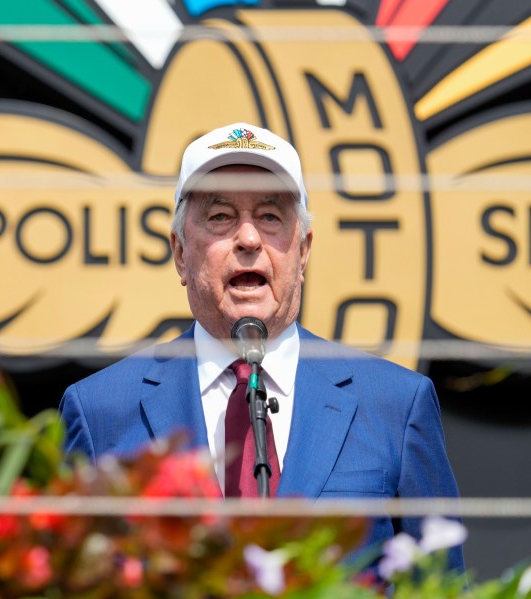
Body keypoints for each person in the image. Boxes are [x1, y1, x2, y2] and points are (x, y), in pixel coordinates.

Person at [58, 122, 464, 571]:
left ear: (304, 250)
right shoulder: (99, 412)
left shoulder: (394, 405)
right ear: (179, 252)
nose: (248, 239)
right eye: (220, 217)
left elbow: (443, 584)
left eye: (270, 216)